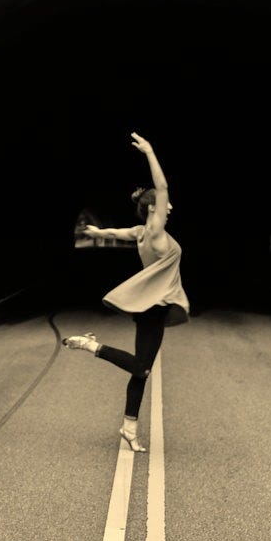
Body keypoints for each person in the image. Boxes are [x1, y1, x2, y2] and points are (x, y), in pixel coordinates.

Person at [62, 132, 189, 452]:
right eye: (163, 205)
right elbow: (162, 188)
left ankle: (129, 428)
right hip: (154, 307)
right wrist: (149, 151)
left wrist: (96, 231)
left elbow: (116, 232)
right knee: (143, 367)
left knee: (141, 370)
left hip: (150, 308)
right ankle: (92, 346)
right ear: (152, 209)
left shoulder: (141, 232)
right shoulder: (156, 230)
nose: (169, 207)